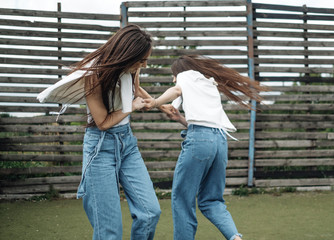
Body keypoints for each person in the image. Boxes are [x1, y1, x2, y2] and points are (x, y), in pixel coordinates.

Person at [37, 24, 163, 240]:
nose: (143, 65)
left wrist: (157, 102)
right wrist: (131, 107)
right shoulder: (93, 76)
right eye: (141, 61)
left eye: (145, 60)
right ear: (126, 55)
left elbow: (133, 87)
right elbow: (103, 122)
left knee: (150, 213)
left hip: (127, 145)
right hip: (100, 148)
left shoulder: (132, 68)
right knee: (109, 231)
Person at [144, 55, 266, 240]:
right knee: (212, 200)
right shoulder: (209, 83)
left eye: (173, 74)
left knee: (182, 200)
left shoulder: (185, 76)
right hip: (220, 142)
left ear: (179, 71)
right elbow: (206, 123)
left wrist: (155, 102)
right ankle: (235, 238)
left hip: (200, 142)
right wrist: (181, 119)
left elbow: (176, 90)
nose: (173, 78)